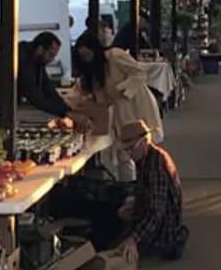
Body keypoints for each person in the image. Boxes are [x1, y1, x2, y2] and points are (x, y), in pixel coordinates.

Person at [68, 31, 166, 181]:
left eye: (88, 55)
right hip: (118, 112)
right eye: (83, 57)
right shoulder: (93, 72)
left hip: (136, 105)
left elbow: (139, 73)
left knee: (144, 146)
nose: (87, 60)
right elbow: (86, 94)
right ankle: (129, 186)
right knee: (123, 150)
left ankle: (148, 182)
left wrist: (121, 90)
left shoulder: (115, 56)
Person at [107, 124, 188, 266]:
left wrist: (133, 238)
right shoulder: (148, 157)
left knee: (112, 243)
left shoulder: (155, 165)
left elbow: (155, 212)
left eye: (131, 148)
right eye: (127, 150)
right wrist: (134, 205)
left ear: (145, 141)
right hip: (161, 221)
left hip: (163, 230)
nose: (129, 154)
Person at [0, 32, 68, 120]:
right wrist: (64, 112)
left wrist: (66, 109)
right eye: (51, 55)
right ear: (40, 49)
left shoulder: (34, 59)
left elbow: (47, 87)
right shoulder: (20, 59)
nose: (52, 60)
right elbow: (34, 95)